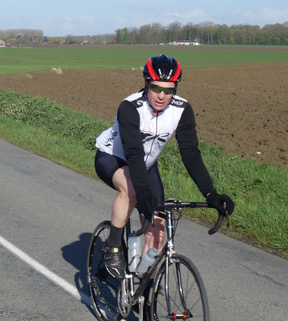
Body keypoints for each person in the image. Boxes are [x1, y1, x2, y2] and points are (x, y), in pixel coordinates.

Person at [94, 54, 235, 280]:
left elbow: (190, 153)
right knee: (132, 190)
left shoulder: (182, 109)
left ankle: (144, 293)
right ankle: (112, 247)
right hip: (114, 157)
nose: (161, 95)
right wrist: (143, 191)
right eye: (156, 88)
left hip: (146, 166)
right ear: (146, 84)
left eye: (168, 90)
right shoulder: (130, 107)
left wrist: (210, 193)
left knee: (157, 233)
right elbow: (134, 152)